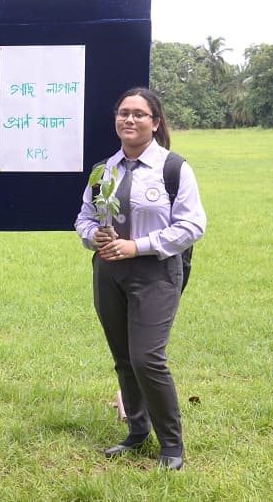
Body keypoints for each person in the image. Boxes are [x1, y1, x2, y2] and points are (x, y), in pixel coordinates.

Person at [74, 87, 206, 471]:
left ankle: (171, 445)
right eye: (123, 113)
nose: (129, 120)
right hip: (108, 271)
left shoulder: (173, 168)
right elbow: (83, 216)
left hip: (155, 271)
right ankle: (136, 431)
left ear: (155, 122)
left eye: (139, 114)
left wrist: (138, 246)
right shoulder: (103, 170)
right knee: (123, 357)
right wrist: (92, 236)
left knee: (147, 357)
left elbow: (193, 225)